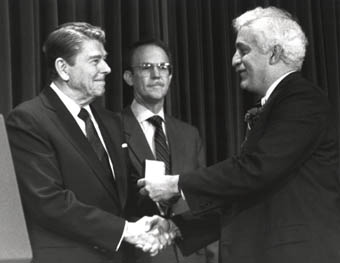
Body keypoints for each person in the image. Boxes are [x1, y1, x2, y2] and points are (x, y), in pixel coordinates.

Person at [139, 6, 340, 263]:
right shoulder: (280, 102)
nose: (235, 60)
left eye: (243, 50)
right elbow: (247, 192)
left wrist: (176, 184)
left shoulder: (301, 100)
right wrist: (178, 226)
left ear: (275, 53)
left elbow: (255, 170)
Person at [6, 22, 170, 263]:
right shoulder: (28, 119)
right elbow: (48, 202)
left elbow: (118, 192)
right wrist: (125, 231)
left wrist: (154, 211)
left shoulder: (111, 121)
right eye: (95, 61)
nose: (107, 68)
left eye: (104, 59)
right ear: (63, 68)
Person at [120, 39, 219, 263]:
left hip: (190, 255)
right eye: (146, 67)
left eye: (163, 67)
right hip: (140, 256)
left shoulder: (189, 134)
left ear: (171, 76)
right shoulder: (112, 129)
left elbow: (203, 200)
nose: (157, 74)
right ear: (129, 77)